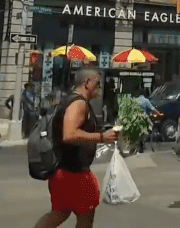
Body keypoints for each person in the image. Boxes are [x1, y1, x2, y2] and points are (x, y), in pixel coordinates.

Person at [33, 69, 118, 228]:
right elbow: (70, 134)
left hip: (65, 171)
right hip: (73, 174)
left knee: (60, 213)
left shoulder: (71, 100)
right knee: (85, 216)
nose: (100, 87)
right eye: (98, 83)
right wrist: (101, 137)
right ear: (87, 83)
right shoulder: (78, 103)